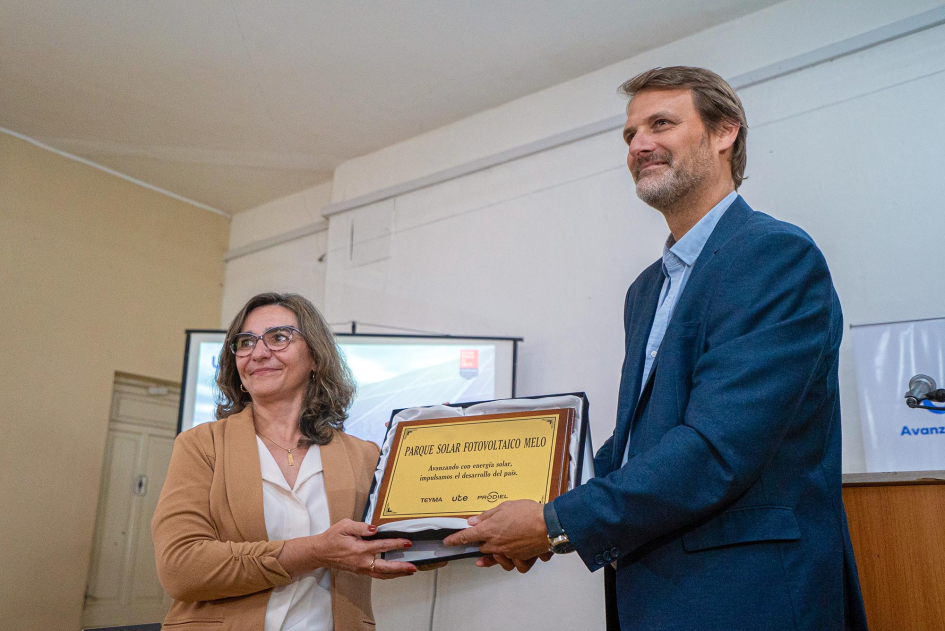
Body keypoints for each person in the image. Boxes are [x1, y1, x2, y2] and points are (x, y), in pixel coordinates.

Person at [445, 67, 868, 630]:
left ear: (725, 134)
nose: (639, 144)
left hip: (747, 597)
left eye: (661, 124)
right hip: (656, 592)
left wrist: (553, 521)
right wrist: (539, 507)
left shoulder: (773, 255)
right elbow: (640, 446)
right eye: (629, 134)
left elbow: (717, 449)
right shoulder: (647, 289)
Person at [152, 292, 417, 631]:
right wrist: (316, 552)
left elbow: (404, 544)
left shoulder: (365, 456)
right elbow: (181, 570)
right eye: (245, 342)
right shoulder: (202, 445)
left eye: (279, 337)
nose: (259, 353)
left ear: (316, 358)